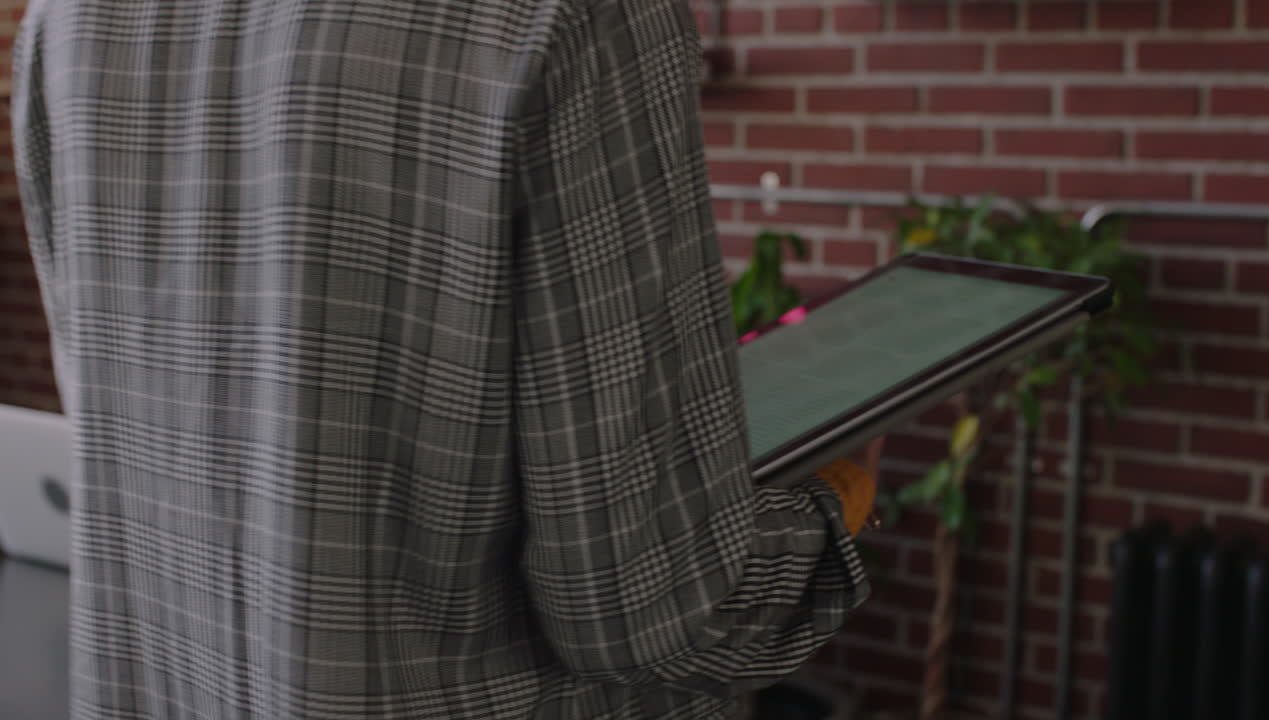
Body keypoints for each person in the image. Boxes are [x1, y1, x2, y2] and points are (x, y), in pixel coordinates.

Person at [12, 1, 873, 718]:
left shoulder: (69, 17)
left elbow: (111, 444)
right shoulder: (577, 13)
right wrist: (836, 503)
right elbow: (641, 609)